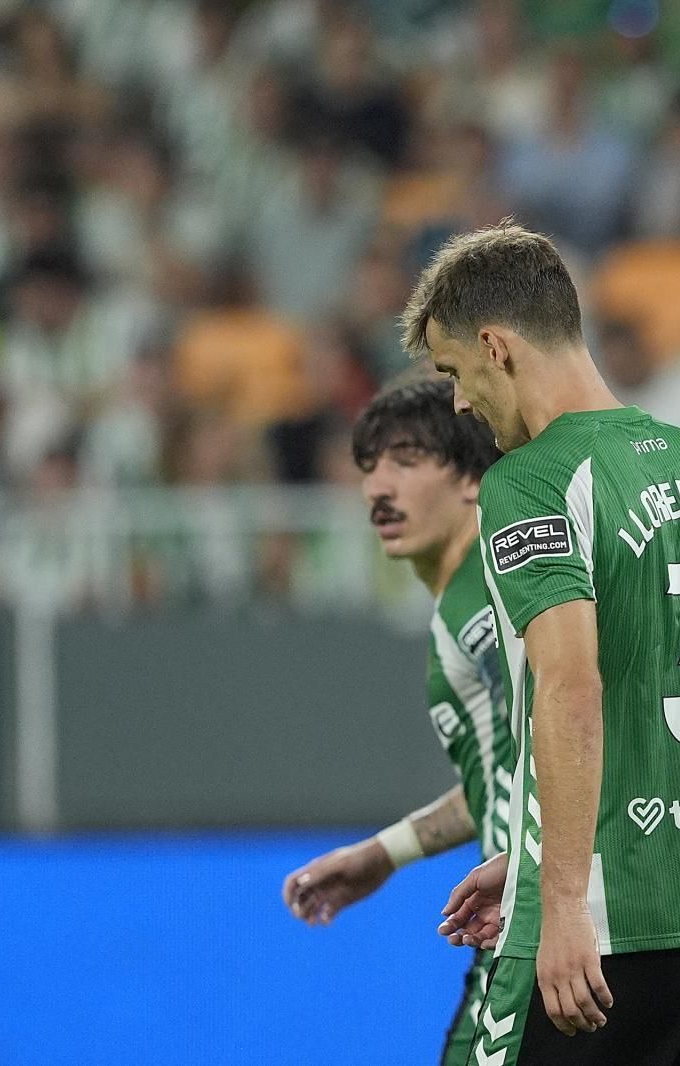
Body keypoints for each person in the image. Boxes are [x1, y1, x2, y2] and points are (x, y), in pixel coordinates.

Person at [409, 223, 680, 1066]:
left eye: (452, 372)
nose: (459, 403)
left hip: (609, 929)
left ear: (495, 347)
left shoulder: (530, 481)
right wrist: (535, 859)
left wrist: (561, 900)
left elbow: (570, 686)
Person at [280, 379, 512, 1066]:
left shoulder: (486, 598)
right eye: (369, 466)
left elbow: (585, 731)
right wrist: (385, 853)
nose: (377, 488)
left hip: (536, 930)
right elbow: (511, 771)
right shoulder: (465, 597)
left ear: (472, 478)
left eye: (406, 462)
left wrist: (541, 880)